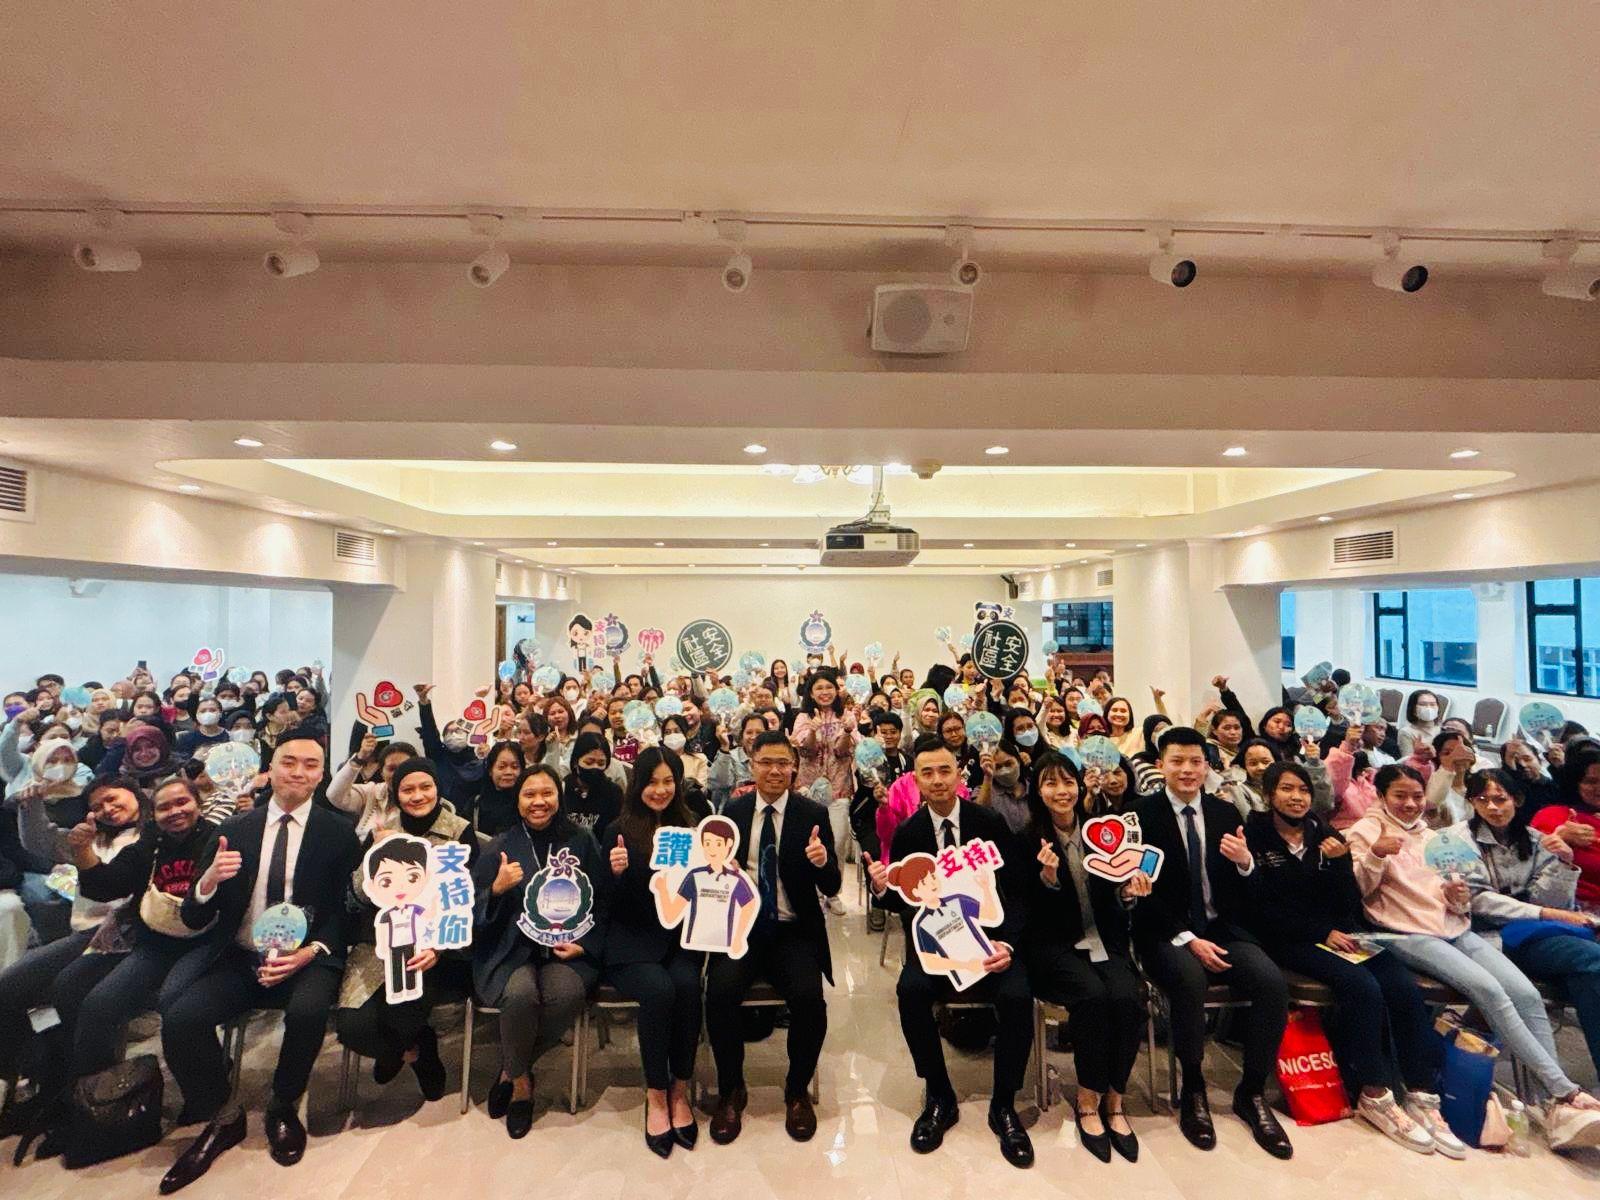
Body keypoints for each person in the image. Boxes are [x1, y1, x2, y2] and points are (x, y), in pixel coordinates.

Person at [1347, 763, 1600, 1150]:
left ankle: (1552, 1106)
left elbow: (1460, 898)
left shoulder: (1434, 838)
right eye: (1400, 796)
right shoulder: (1365, 831)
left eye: (1417, 796)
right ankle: (1564, 1091)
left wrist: (1457, 896)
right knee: (1491, 992)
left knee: (1526, 995)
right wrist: (1378, 856)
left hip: (1455, 927)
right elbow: (1358, 894)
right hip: (1403, 932)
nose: (1411, 804)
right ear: (1381, 797)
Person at [158, 732, 362, 1192]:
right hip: (242, 957)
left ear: (321, 773)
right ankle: (222, 1115)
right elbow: (194, 913)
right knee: (181, 1017)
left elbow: (343, 911)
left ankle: (284, 1104)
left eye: (311, 765)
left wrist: (311, 952)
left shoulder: (338, 833)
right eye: (289, 762)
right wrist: (207, 881)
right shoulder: (236, 829)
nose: (298, 772)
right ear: (269, 767)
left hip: (306, 958)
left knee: (308, 1012)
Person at [1242, 762, 1456, 1156]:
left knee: (1400, 983)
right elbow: (1259, 907)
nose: (1296, 797)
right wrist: (1320, 933)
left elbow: (1345, 902)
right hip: (1287, 940)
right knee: (1362, 987)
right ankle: (1374, 1091)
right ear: (1270, 794)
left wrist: (1339, 864)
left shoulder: (1324, 833)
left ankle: (1422, 1093)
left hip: (1339, 934)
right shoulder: (1254, 835)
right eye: (1287, 789)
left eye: (1303, 790)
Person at [866, 734, 1035, 1169]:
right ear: (915, 780)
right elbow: (905, 902)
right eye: (927, 773)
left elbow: (1016, 892)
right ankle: (939, 1094)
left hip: (991, 942)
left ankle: (1004, 1103)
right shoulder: (910, 833)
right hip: (939, 945)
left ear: (959, 773)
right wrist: (882, 889)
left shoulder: (989, 822)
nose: (938, 780)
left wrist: (1008, 943)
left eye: (945, 770)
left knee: (1017, 996)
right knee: (911, 992)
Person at [1131, 725, 1292, 1158]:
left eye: (1195, 761)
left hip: (1221, 929)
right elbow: (1144, 900)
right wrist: (1187, 939)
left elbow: (1245, 895)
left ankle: (1252, 1091)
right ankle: (1194, 1087)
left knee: (1271, 983)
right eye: (1177, 761)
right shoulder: (1139, 817)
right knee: (1189, 980)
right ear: (1160, 765)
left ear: (1208, 765)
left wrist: (1245, 866)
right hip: (1165, 931)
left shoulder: (1225, 814)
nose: (1186, 770)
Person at [704, 731, 840, 1143]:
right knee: (719, 993)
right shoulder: (735, 809)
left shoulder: (813, 813)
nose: (775, 770)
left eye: (783, 763)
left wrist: (821, 862)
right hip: (741, 930)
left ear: (794, 765)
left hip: (792, 930)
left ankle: (796, 1090)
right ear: (752, 763)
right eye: (766, 762)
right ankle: (731, 1089)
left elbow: (832, 885)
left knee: (808, 1000)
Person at [0, 776, 149, 1140]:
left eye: (113, 799)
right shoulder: (90, 839)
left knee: (57, 996)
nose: (108, 809)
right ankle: (34, 1077)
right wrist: (32, 803)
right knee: (15, 992)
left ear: (134, 794)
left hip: (123, 938)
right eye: (98, 806)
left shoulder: (151, 838)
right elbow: (39, 841)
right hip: (81, 936)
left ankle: (66, 1092)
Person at [1023, 751, 1149, 1163]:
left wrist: (1127, 893)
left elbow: (1114, 897)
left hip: (1104, 941)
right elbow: (1025, 913)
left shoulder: (1101, 832)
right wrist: (1046, 880)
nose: (1061, 791)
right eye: (1050, 784)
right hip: (1054, 947)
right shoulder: (1026, 839)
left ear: (1080, 785)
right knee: (1093, 997)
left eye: (1068, 782)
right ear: (1038, 791)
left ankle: (1116, 1097)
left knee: (1128, 998)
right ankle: (1088, 1099)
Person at [471, 763, 607, 1138]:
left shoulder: (581, 840)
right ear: (517, 802)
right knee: (519, 995)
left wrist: (585, 944)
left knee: (566, 994)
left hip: (566, 948)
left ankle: (511, 1066)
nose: (539, 802)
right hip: (511, 949)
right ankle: (521, 1088)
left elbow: (603, 901)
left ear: (558, 798)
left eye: (547, 793)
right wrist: (496, 890)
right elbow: (472, 911)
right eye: (529, 795)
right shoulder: (500, 846)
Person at [335, 758, 476, 1103]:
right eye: (407, 789)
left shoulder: (458, 830)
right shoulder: (383, 828)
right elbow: (356, 895)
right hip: (379, 945)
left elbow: (464, 899)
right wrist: (378, 850)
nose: (417, 795)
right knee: (352, 1027)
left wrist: (437, 946)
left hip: (438, 949)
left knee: (403, 1010)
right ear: (396, 794)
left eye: (425, 787)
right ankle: (415, 1051)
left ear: (438, 789)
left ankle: (410, 1048)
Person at [601, 747, 710, 1158]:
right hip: (630, 943)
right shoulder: (618, 829)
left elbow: (701, 889)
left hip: (680, 938)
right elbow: (603, 901)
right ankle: (656, 1095)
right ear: (638, 784)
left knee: (685, 985)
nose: (661, 790)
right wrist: (614, 873)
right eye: (652, 782)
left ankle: (680, 1090)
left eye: (669, 782)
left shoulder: (692, 826)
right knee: (659, 991)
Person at [1458, 768, 1600, 1080]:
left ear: (1517, 800)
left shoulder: (1536, 841)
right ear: (1471, 802)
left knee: (1586, 976)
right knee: (1590, 960)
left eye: (1501, 799)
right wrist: (1544, 914)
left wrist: (1564, 864)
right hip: (1486, 936)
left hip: (1535, 933)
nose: (1493, 807)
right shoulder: (1457, 840)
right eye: (1483, 800)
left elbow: (1552, 903)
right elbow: (1477, 900)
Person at [1531, 746, 1600, 907]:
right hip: (1568, 910)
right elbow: (1527, 865)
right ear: (1575, 783)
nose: (1599, 789)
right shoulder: (1553, 815)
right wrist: (1558, 838)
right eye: (1591, 782)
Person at [325, 734, 423, 838]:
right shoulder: (372, 791)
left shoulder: (425, 797)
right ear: (381, 773)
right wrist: (359, 758)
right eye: (391, 769)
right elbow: (334, 796)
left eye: (404, 766)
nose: (398, 773)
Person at [563, 731, 624, 838]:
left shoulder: (613, 792)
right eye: (589, 762)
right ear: (575, 762)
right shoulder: (563, 788)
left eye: (601, 763)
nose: (595, 767)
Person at [707, 712, 765, 811]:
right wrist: (725, 746)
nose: (754, 737)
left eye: (759, 733)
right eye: (749, 732)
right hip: (733, 812)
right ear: (742, 735)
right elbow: (716, 784)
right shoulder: (729, 755)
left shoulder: (772, 759)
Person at [469, 741, 526, 837]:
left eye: (514, 767)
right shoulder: (475, 804)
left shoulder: (528, 803)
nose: (508, 772)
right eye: (502, 767)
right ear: (490, 770)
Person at [1397, 690, 1444, 759]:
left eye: (1432, 704)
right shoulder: (1406, 732)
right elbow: (1408, 760)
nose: (1429, 708)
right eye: (1423, 704)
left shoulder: (1442, 730)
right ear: (1413, 709)